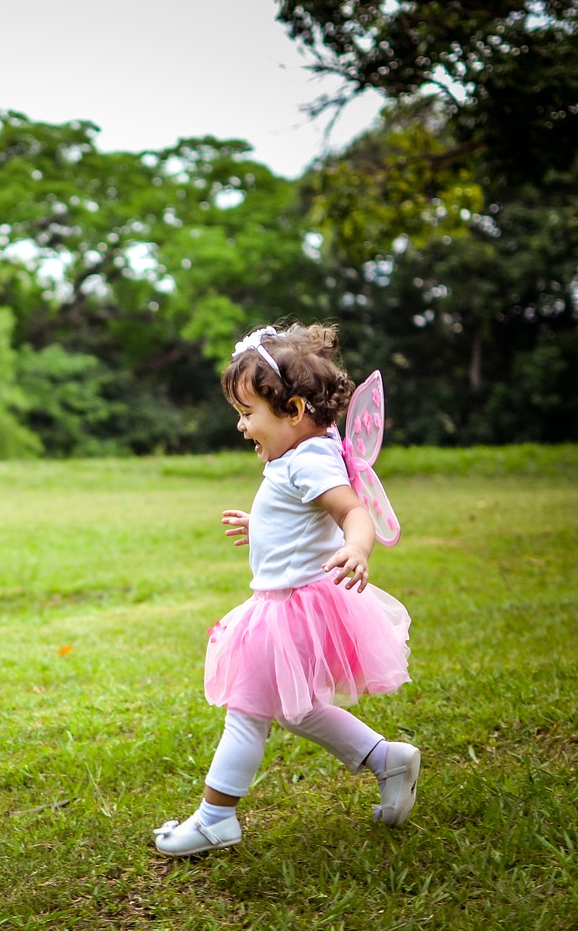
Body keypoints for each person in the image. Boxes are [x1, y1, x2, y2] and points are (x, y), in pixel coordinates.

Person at [154, 322, 419, 857]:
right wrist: (264, 526)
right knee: (296, 710)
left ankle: (215, 818)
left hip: (292, 610)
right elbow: (304, 518)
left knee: (245, 712)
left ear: (293, 411)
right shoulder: (299, 455)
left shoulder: (310, 459)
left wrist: (358, 549)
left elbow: (352, 512)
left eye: (248, 413)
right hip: (287, 606)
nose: (241, 426)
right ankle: (385, 758)